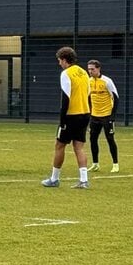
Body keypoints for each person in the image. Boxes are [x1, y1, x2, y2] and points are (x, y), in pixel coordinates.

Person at [42, 46, 91, 189]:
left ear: (64, 60)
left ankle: (54, 179)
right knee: (79, 147)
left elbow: (66, 98)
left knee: (59, 145)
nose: (59, 64)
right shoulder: (83, 72)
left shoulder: (66, 73)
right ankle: (84, 180)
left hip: (71, 115)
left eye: (59, 60)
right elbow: (88, 94)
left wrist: (62, 120)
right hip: (85, 113)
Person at [87, 59, 119, 173]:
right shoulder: (88, 81)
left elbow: (116, 98)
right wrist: (90, 113)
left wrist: (112, 117)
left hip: (106, 115)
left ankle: (115, 164)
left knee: (110, 139)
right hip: (94, 116)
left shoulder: (107, 81)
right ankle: (95, 164)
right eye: (89, 69)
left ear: (98, 69)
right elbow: (88, 98)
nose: (90, 71)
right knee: (92, 139)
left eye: (92, 69)